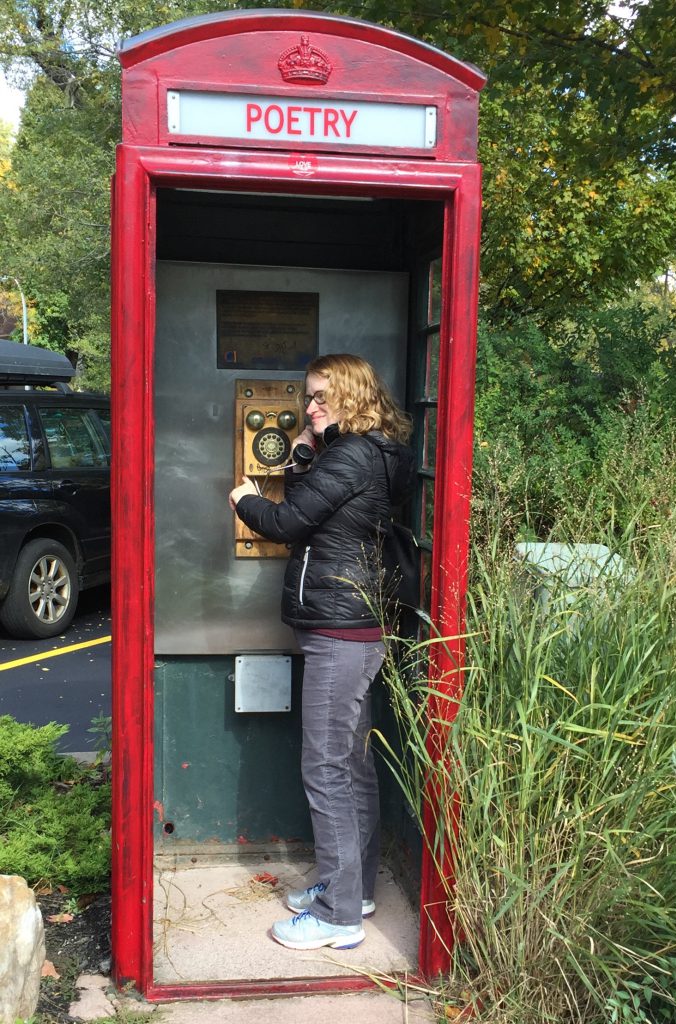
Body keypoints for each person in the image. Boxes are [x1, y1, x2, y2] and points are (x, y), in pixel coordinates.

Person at [228, 353, 415, 951]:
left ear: (351, 395)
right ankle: (353, 889)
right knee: (350, 765)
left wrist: (245, 500)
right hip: (352, 624)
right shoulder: (369, 451)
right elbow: (318, 510)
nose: (308, 407)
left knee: (326, 767)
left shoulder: (353, 454)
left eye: (319, 397)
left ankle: (338, 915)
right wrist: (307, 449)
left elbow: (289, 523)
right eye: (308, 397)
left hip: (339, 627)